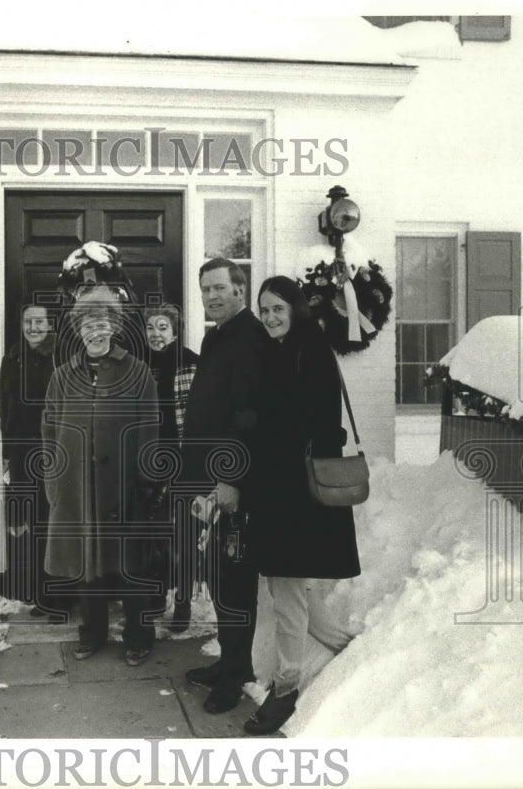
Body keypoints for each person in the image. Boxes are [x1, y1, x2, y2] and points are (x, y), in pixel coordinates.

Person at [243, 275, 361, 736]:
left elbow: (317, 424)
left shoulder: (310, 351)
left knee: (288, 591)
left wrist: (260, 426)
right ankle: (345, 645)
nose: (271, 316)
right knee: (288, 586)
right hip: (276, 491)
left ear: (295, 308)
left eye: (278, 308)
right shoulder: (281, 351)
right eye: (265, 310)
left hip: (297, 492)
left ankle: (285, 688)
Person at [41, 285, 163, 666]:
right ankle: (92, 633)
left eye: (103, 322)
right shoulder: (62, 377)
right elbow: (49, 430)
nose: (96, 330)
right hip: (77, 488)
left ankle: (139, 637)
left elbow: (149, 427)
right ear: (78, 330)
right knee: (86, 565)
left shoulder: (138, 372)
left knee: (130, 566)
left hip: (124, 488)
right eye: (87, 323)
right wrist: (54, 482)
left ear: (113, 327)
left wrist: (145, 483)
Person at [180, 258, 273, 713]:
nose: (211, 296)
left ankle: (235, 677)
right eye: (205, 289)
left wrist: (229, 480)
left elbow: (247, 415)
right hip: (208, 481)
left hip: (233, 485)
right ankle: (228, 662)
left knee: (236, 582)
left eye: (219, 287)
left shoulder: (250, 338)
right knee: (220, 579)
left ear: (240, 289)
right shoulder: (217, 336)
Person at [0, 303, 65, 618]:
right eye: (28, 322)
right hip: (24, 452)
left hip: (57, 450)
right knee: (35, 521)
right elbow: (5, 410)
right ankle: (42, 594)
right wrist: (8, 453)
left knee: (58, 520)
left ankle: (62, 595)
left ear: (50, 324)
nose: (33, 327)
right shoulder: (11, 359)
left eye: (39, 321)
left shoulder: (61, 356)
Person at [143, 304, 200, 632]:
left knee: (184, 537)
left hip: (183, 461)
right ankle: (156, 595)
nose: (156, 334)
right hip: (151, 462)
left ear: (175, 331)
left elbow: (200, 416)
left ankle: (184, 600)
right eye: (151, 327)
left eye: (163, 327)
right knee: (154, 535)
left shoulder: (191, 363)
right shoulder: (141, 366)